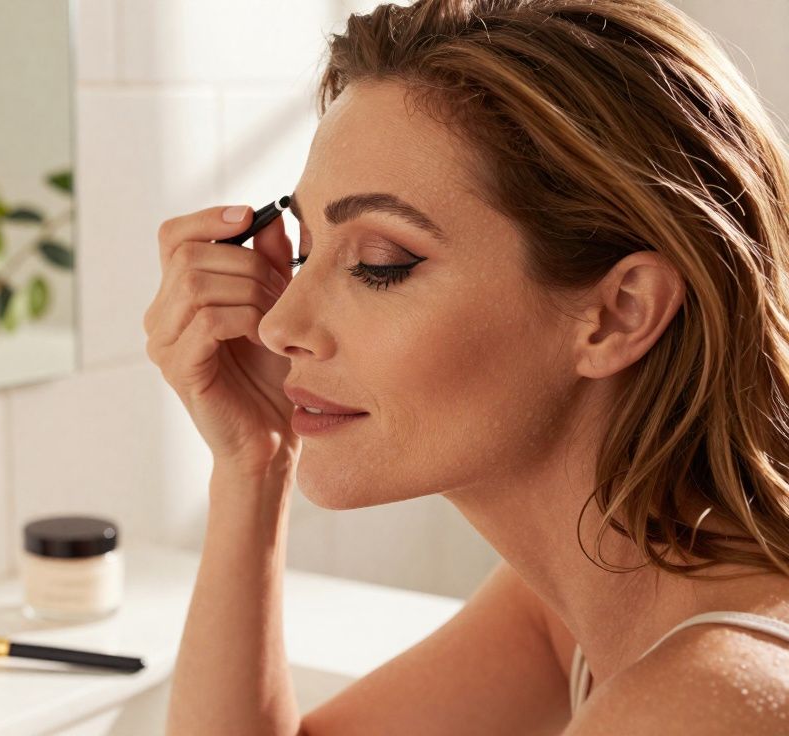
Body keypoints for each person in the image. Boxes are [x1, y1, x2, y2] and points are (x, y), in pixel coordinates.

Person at [143, 0, 789, 733]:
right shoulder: (589, 602)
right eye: (304, 248)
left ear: (619, 314)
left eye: (382, 265)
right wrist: (253, 464)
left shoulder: (704, 702)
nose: (279, 322)